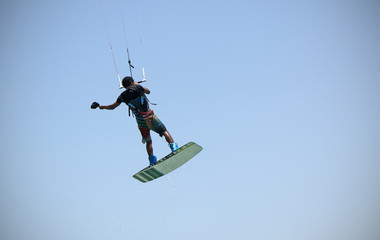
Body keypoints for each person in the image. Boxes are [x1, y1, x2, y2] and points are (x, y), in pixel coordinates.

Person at [91, 76, 178, 165]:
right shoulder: (138, 87)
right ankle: (174, 147)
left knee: (148, 141)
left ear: (124, 86)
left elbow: (112, 107)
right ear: (132, 82)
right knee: (163, 131)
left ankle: (152, 160)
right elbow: (148, 91)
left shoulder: (122, 96)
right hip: (149, 116)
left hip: (140, 121)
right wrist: (137, 84)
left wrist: (103, 107)